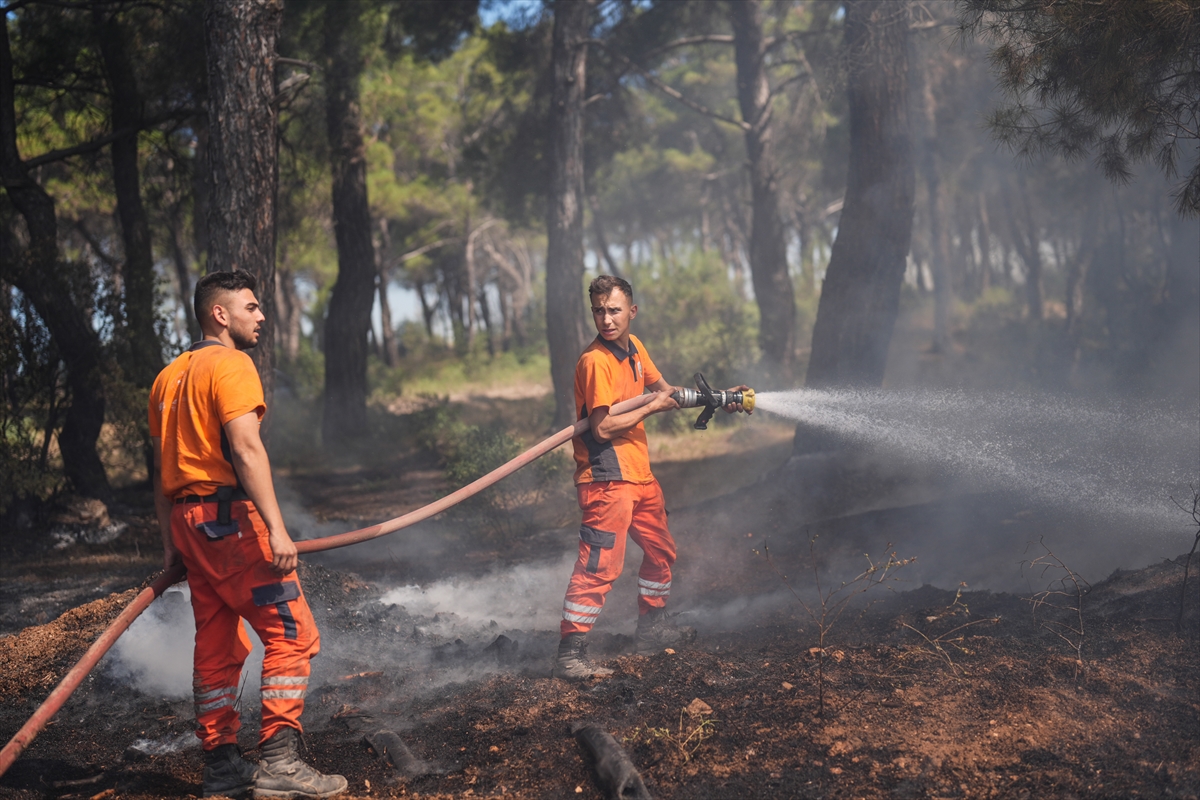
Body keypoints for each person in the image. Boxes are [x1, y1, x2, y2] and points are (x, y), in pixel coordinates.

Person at [149, 270, 347, 799]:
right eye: (251, 307)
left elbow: (161, 468)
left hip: (190, 525)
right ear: (220, 314)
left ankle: (221, 768)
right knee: (291, 633)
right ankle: (280, 762)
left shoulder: (169, 377)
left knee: (217, 643)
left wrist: (170, 541)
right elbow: (245, 447)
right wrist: (277, 530)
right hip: (231, 523)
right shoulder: (232, 364)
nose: (261, 316)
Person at [552, 275, 749, 680]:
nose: (606, 319)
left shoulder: (635, 349)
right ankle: (570, 654)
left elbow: (668, 393)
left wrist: (719, 398)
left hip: (639, 474)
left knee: (661, 552)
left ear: (632, 312)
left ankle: (652, 632)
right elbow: (602, 428)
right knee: (600, 566)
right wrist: (650, 408)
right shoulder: (595, 361)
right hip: (607, 478)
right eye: (598, 311)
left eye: (614, 310)